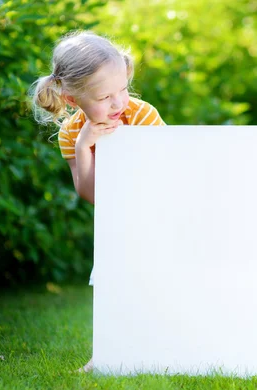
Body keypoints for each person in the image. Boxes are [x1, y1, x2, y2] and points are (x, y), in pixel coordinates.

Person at [31, 31, 166, 371]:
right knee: (112, 283)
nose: (119, 103)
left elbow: (169, 172)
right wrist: (84, 147)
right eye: (106, 97)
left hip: (159, 216)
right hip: (117, 224)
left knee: (157, 283)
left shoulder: (142, 116)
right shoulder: (71, 133)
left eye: (123, 89)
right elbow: (90, 194)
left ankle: (165, 345)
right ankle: (106, 356)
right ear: (74, 101)